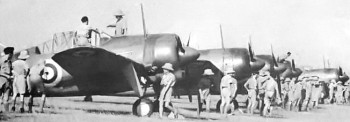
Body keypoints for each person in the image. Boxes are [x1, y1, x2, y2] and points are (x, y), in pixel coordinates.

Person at [0, 47, 14, 112]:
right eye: (12, 53)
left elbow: (10, 71)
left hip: (8, 81)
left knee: (6, 98)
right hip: (1, 80)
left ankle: (7, 113)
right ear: (9, 54)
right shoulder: (1, 61)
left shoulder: (10, 62)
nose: (13, 55)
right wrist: (6, 75)